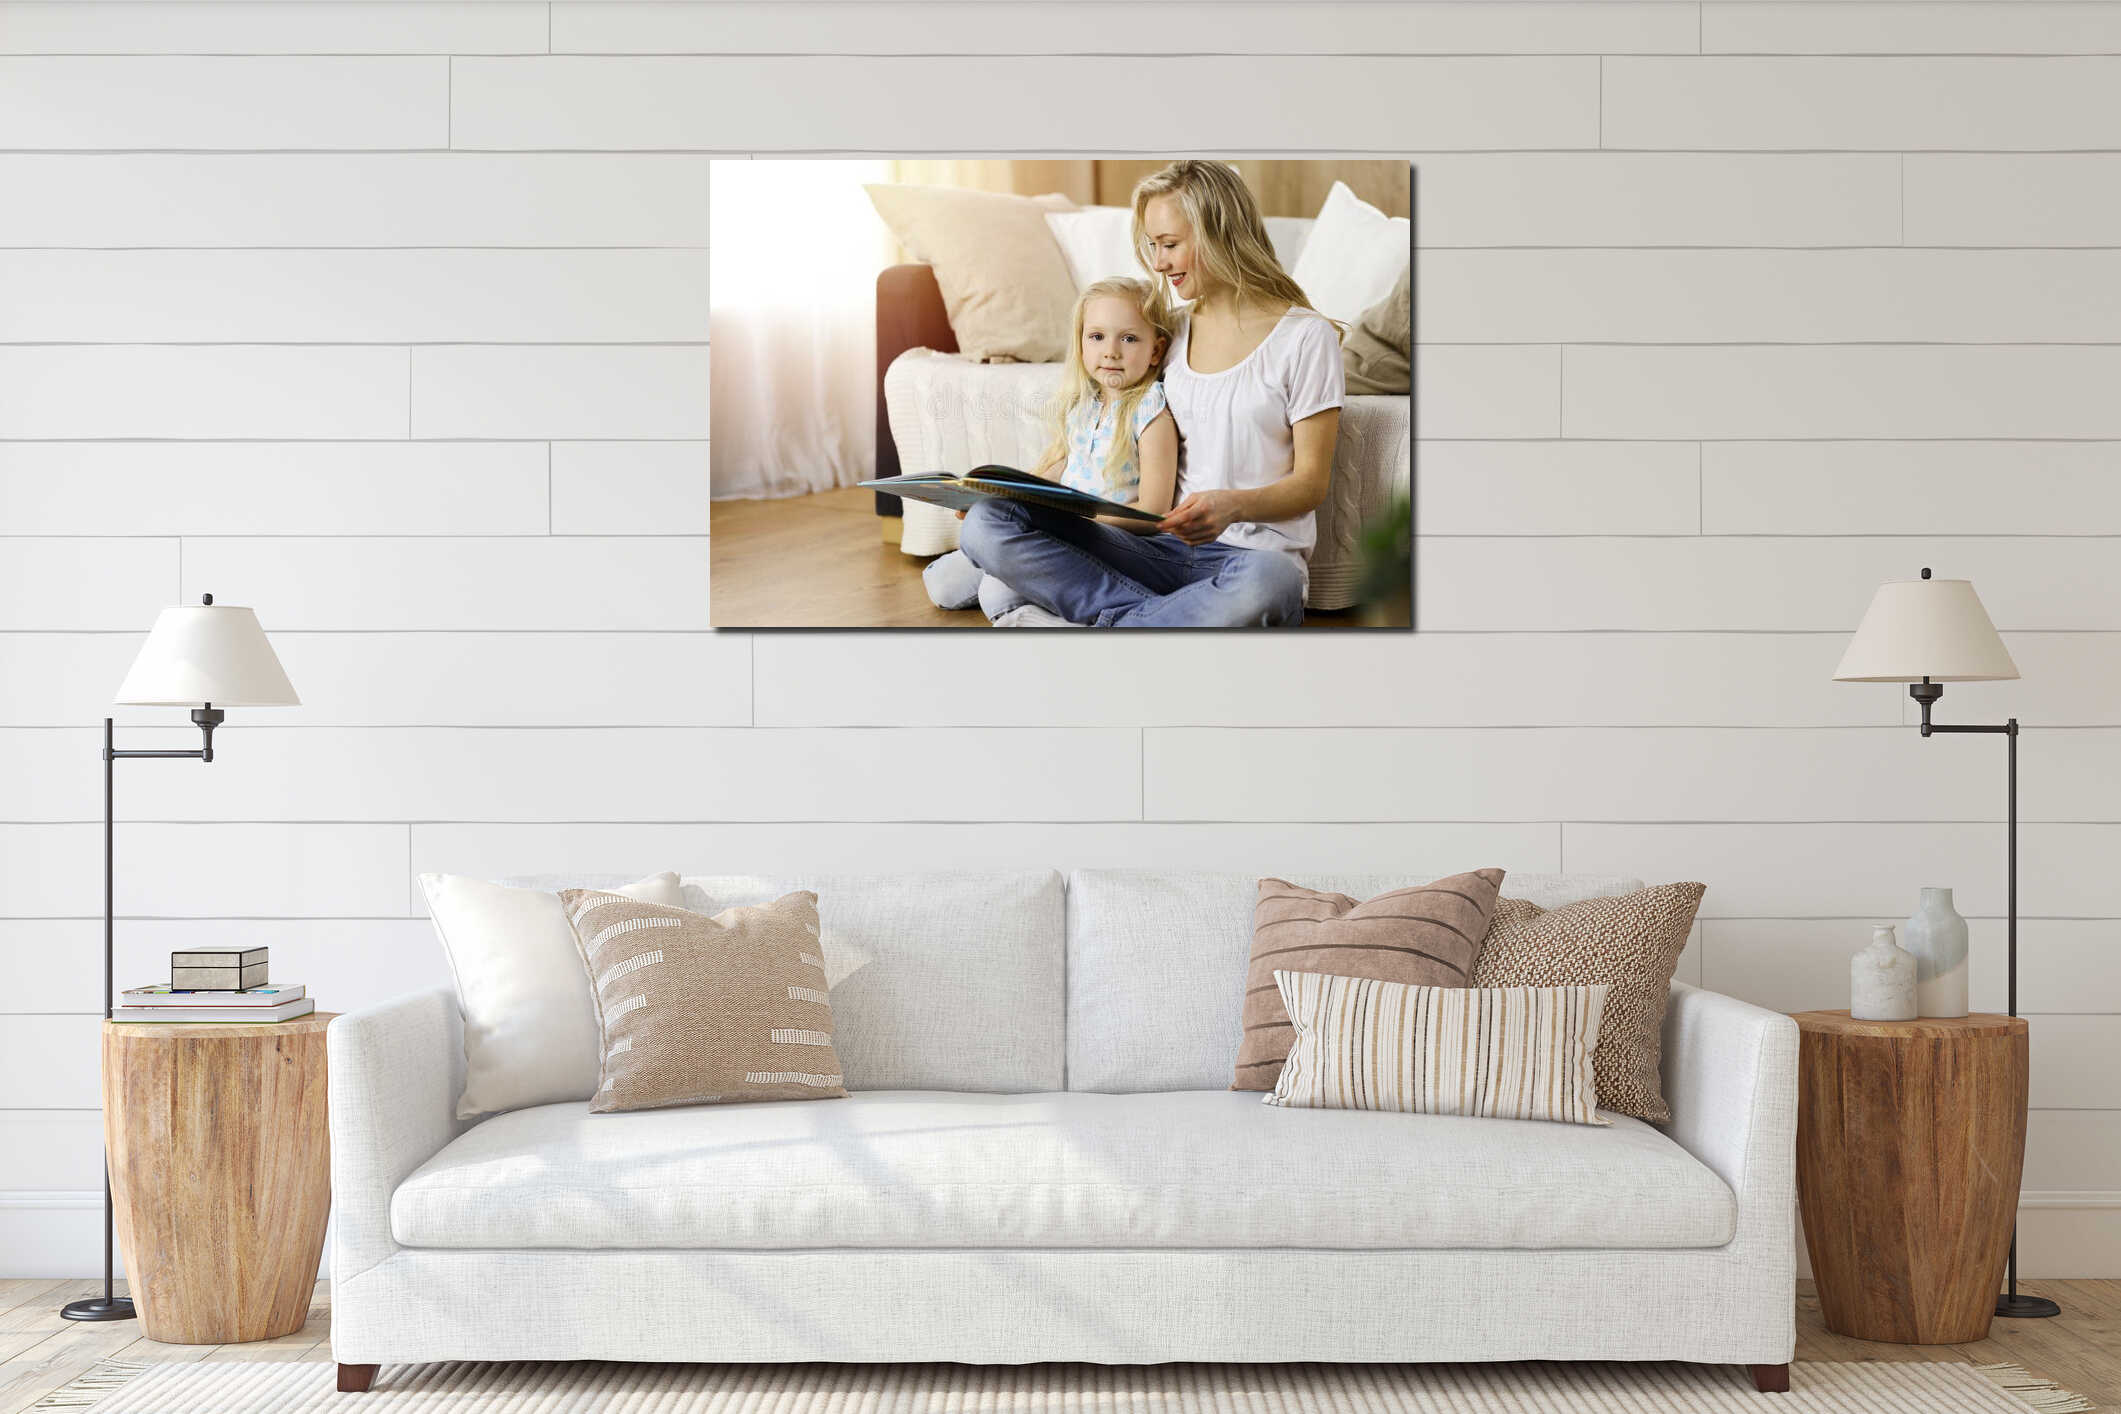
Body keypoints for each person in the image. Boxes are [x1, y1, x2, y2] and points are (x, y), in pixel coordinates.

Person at [958, 159, 1343, 628]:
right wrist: (1020, 493)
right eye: (1154, 246)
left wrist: (1233, 505)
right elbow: (1102, 408)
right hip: (1154, 550)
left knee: (1271, 587)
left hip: (1250, 560)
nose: (1159, 263)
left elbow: (1311, 484)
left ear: (1217, 233)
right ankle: (1144, 623)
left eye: (1170, 245)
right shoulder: (1170, 331)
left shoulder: (1305, 337)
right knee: (987, 522)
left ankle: (1089, 617)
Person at [924, 277, 1179, 624]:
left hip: (1094, 539)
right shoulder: (1084, 405)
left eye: (1129, 338)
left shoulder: (1151, 413)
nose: (1111, 351)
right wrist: (995, 499)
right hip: (1051, 528)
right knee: (941, 583)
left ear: (1156, 351)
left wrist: (1074, 520)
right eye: (1097, 336)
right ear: (1082, 343)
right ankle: (1019, 573)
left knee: (996, 593)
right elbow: (1057, 470)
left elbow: (1154, 511)